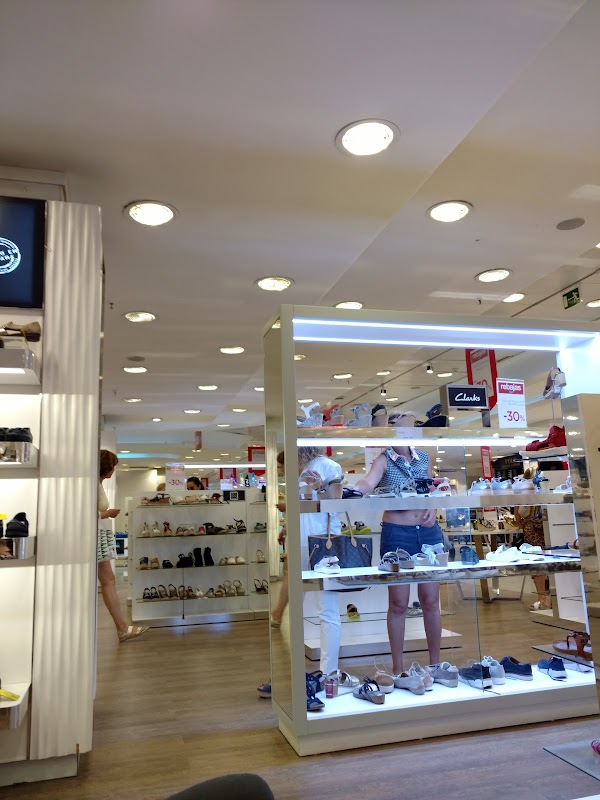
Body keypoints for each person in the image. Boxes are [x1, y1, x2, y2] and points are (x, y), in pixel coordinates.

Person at [354, 410, 442, 675]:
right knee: (399, 604)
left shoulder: (423, 457)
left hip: (428, 532)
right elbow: (368, 482)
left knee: (431, 601)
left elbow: (430, 488)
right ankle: (398, 670)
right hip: (397, 533)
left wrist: (433, 507)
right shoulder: (383, 459)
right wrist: (350, 492)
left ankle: (435, 665)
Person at [258, 447, 344, 697]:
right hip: (303, 545)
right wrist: (288, 528)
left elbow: (336, 502)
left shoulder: (327, 466)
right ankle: (295, 676)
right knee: (298, 611)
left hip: (324, 544)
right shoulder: (304, 470)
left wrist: (317, 487)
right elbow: (302, 507)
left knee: (326, 611)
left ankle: (328, 675)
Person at [98, 450, 149, 643]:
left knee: (108, 579)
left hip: (97, 533)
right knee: (108, 580)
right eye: (112, 466)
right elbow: (83, 511)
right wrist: (107, 514)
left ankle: (122, 627)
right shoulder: (91, 485)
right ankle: (121, 628)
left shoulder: (96, 483)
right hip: (94, 534)